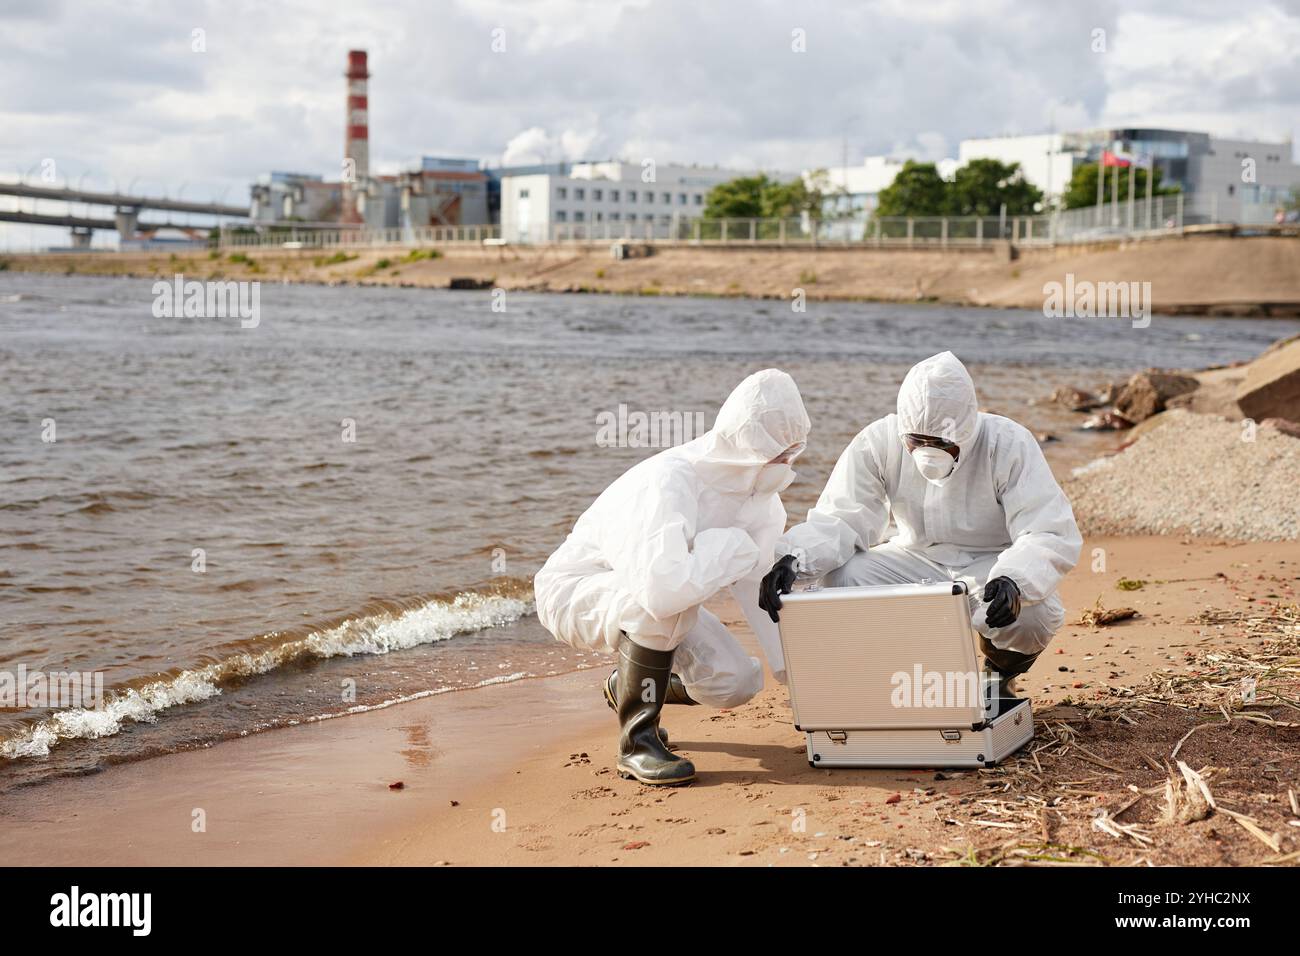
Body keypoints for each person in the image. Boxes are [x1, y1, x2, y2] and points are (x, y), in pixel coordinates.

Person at [534, 369, 810, 786]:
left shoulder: (762, 503)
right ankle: (637, 744)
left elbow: (760, 593)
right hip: (578, 590)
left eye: (794, 453)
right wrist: (731, 546)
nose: (786, 464)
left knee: (736, 682)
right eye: (779, 453)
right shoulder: (670, 481)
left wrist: (801, 685)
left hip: (662, 597)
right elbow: (660, 593)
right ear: (746, 443)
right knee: (667, 605)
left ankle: (628, 685)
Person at [758, 351, 1080, 696]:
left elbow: (1046, 529)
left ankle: (998, 672)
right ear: (902, 430)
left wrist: (1015, 580)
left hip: (993, 564)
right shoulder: (877, 441)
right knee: (842, 578)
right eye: (916, 441)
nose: (928, 452)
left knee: (1032, 617)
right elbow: (842, 517)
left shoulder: (1008, 443)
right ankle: (891, 675)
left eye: (941, 443)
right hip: (912, 557)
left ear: (968, 428)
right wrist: (795, 558)